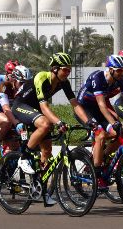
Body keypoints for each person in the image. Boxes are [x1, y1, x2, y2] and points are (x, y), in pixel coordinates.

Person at [11, 52, 91, 184]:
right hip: (21, 105)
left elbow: (75, 104)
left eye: (69, 70)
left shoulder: (63, 82)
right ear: (55, 68)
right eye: (65, 69)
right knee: (46, 124)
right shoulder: (41, 77)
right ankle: (24, 157)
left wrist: (88, 121)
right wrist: (59, 122)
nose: (68, 73)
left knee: (47, 151)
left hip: (35, 109)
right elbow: (44, 108)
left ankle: (40, 186)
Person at [75, 54, 123, 189]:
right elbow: (102, 105)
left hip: (98, 109)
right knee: (101, 134)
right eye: (119, 71)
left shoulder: (120, 79)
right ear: (110, 69)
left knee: (119, 134)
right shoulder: (98, 77)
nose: (122, 73)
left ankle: (103, 156)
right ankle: (97, 174)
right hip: (84, 109)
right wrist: (113, 122)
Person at [0, 65, 32, 153]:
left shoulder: (23, 90)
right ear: (14, 80)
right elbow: (6, 108)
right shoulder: (4, 87)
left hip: (4, 114)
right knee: (7, 121)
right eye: (21, 83)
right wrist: (16, 123)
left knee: (14, 143)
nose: (23, 86)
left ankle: (5, 163)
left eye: (25, 83)